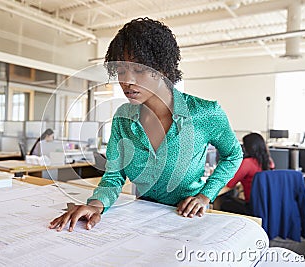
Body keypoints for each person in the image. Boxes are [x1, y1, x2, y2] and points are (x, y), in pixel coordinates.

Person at [49, 17, 243, 232]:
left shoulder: (205, 113)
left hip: (189, 221)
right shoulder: (124, 117)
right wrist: (95, 205)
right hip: (142, 218)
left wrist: (206, 195)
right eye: (121, 71)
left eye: (139, 70)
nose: (127, 81)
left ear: (164, 70)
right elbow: (114, 175)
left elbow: (233, 155)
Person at [220, 132, 275, 215]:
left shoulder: (247, 163)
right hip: (267, 206)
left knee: (224, 202)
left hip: (252, 207)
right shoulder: (270, 162)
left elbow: (230, 184)